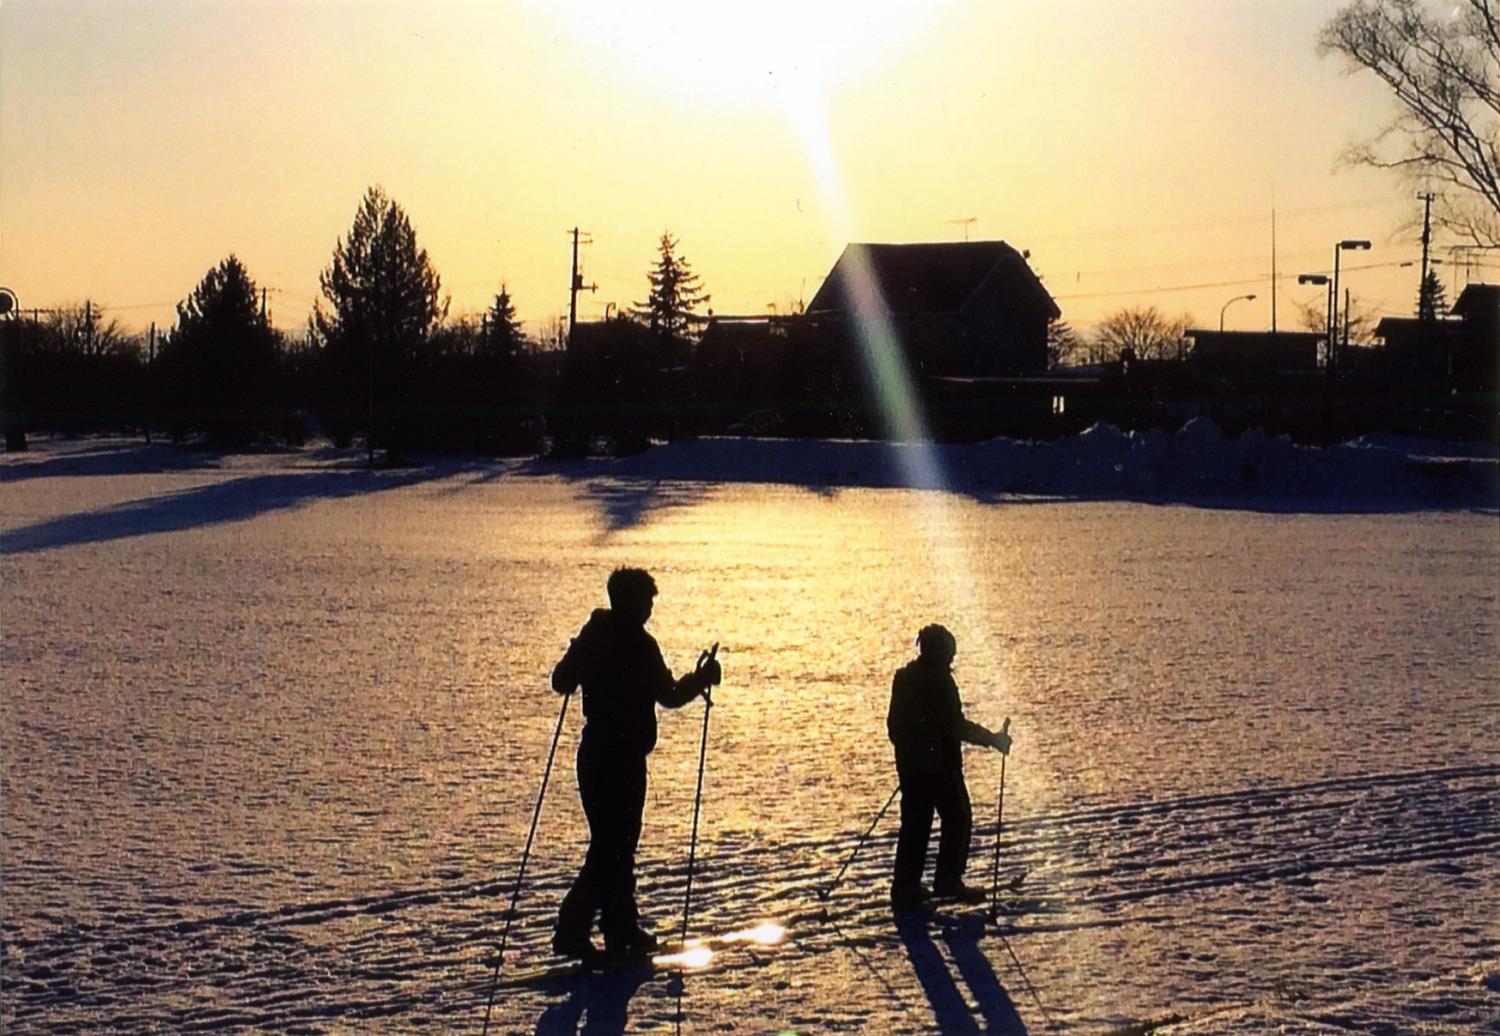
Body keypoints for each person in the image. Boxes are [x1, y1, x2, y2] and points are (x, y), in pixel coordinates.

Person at [550, 567, 721, 959]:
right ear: (628, 601)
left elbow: (561, 680)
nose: (649, 609)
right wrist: (701, 679)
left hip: (594, 756)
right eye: (645, 602)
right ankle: (575, 929)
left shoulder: (595, 635)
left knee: (616, 845)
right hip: (621, 760)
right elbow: (670, 695)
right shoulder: (642, 647)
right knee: (613, 847)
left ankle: (619, 927)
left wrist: (579, 661)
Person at [887, 624, 1011, 910]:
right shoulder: (939, 681)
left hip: (911, 767)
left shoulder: (904, 678)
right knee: (958, 818)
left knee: (915, 825)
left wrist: (910, 753)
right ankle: (947, 880)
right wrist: (992, 739)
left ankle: (905, 885)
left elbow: (894, 727)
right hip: (940, 767)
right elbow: (955, 725)